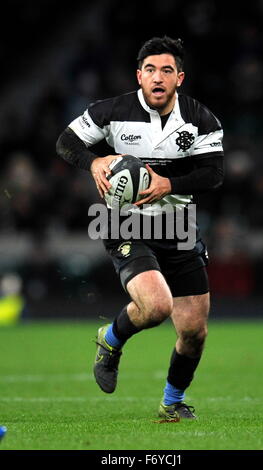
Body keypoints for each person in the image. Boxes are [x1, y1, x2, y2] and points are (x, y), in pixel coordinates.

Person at [56, 36, 224, 421]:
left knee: (194, 331)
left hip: (179, 225)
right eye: (150, 70)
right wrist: (94, 163)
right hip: (124, 221)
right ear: (139, 75)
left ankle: (172, 403)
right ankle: (111, 341)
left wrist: (170, 184)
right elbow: (66, 142)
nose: (158, 77)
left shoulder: (201, 119)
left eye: (167, 70)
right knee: (156, 306)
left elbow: (214, 175)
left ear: (179, 77)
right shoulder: (112, 111)